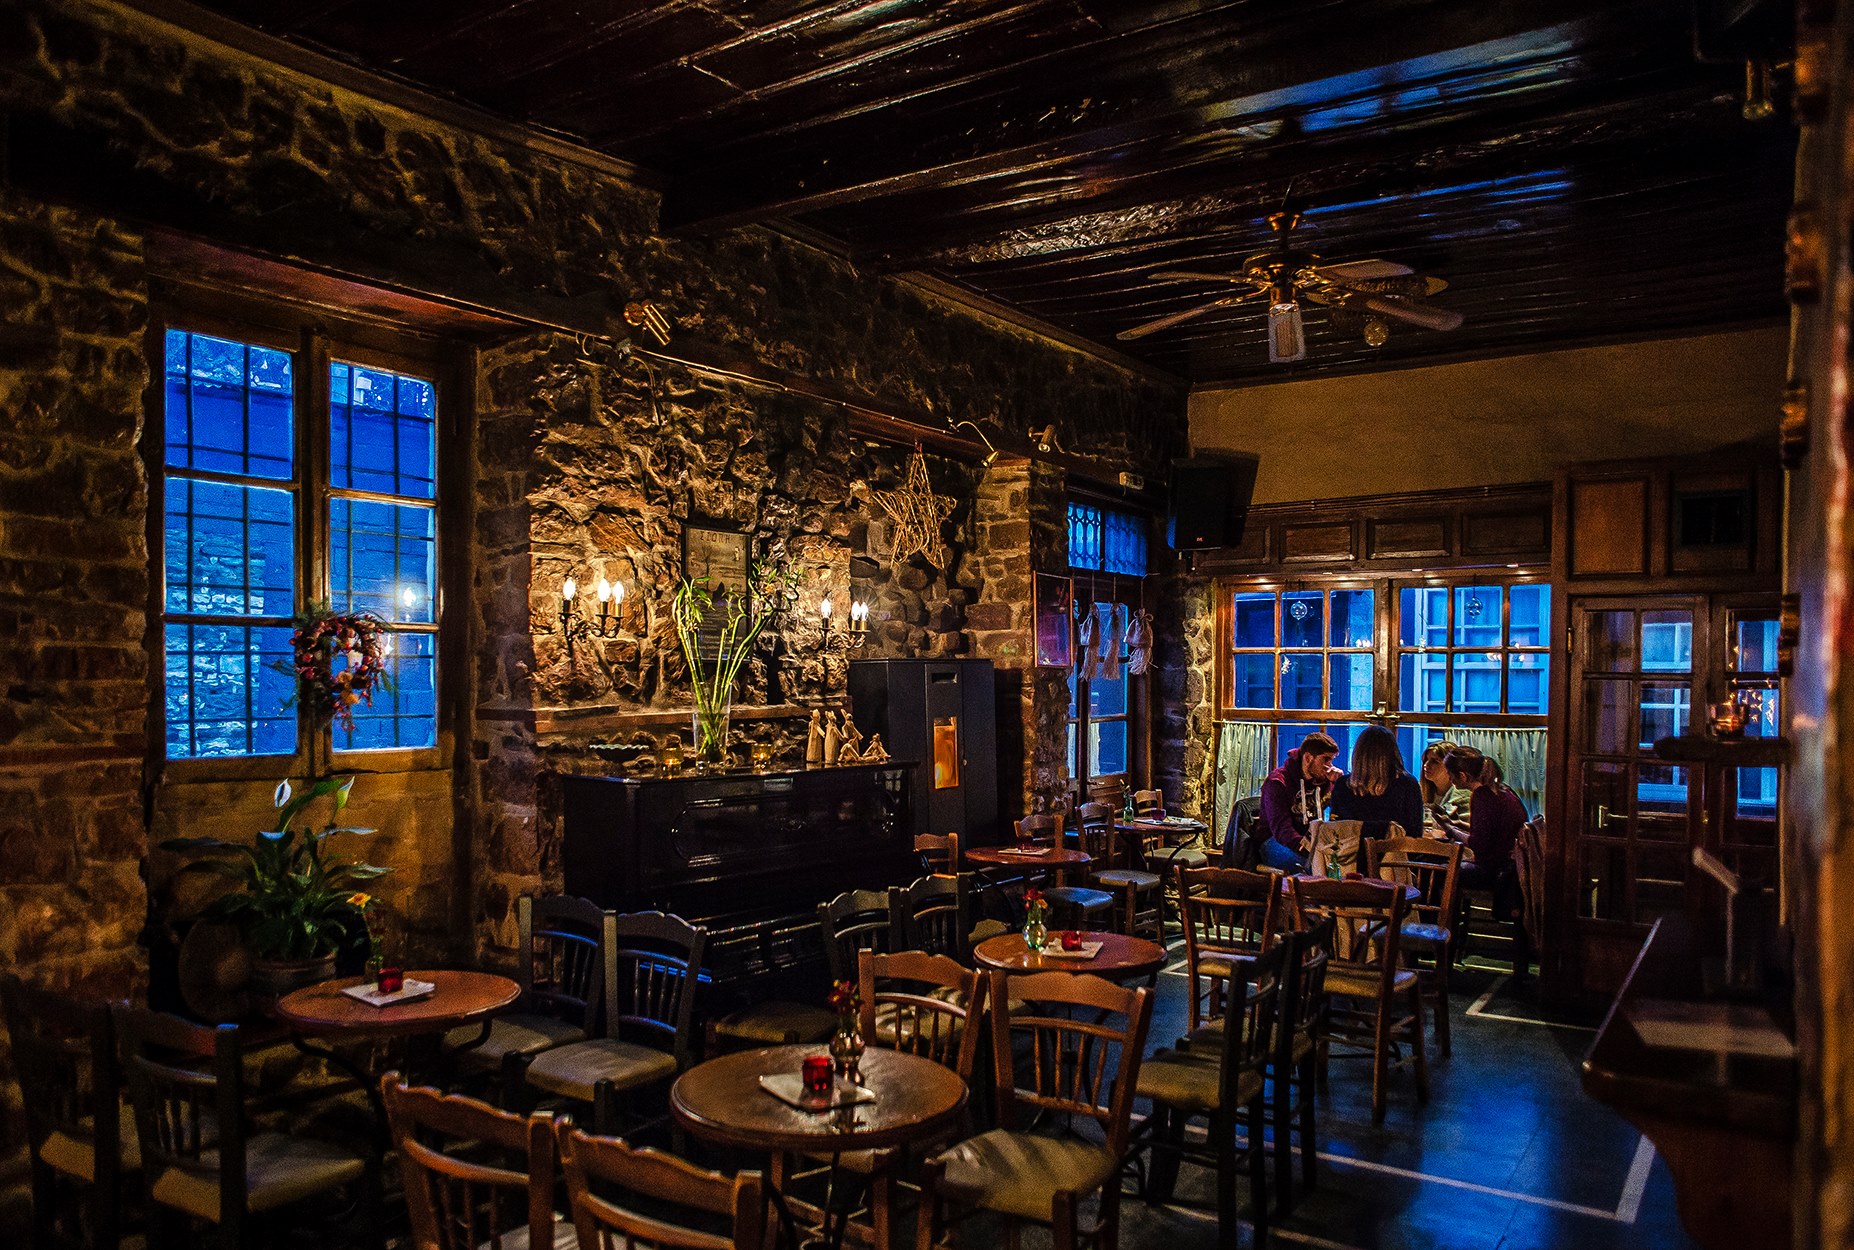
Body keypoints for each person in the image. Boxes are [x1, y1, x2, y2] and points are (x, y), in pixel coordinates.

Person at [1441, 746, 1528, 892]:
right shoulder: (1503, 790)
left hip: (1495, 869)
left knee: (1434, 870)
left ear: (1462, 776)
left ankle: (1443, 907)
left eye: (1450, 774)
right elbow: (1492, 832)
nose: (1449, 779)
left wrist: (1450, 830)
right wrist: (1457, 824)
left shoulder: (1482, 796)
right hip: (1512, 865)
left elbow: (1478, 844)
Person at [1257, 731, 1340, 873]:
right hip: (1274, 841)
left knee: (1339, 864)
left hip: (1309, 842)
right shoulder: (1277, 782)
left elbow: (1337, 815)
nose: (1329, 766)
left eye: (1331, 760)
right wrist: (1307, 849)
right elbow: (1282, 830)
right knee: (1317, 868)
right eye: (1325, 759)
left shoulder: (1323, 782)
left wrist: (1338, 785)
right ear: (1308, 758)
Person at [1330, 727, 1425, 841]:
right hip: (1394, 851)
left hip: (1350, 851)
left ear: (1358, 753)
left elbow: (1335, 829)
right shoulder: (1407, 784)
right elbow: (1415, 832)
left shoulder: (1343, 785)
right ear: (1393, 752)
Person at [1419, 740, 1472, 837]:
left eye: (1434, 761)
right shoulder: (1420, 791)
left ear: (1450, 766)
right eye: (1426, 760)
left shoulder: (1464, 795)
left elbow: (1465, 831)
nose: (1426, 765)